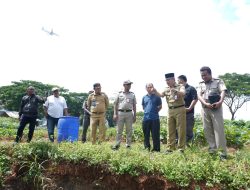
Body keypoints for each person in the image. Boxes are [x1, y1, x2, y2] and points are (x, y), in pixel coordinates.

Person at [198, 66, 227, 159]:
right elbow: (199, 95)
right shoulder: (201, 83)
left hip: (216, 108)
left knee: (218, 130)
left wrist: (220, 102)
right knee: (207, 129)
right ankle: (212, 150)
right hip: (205, 108)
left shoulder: (218, 81)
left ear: (210, 73)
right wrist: (205, 103)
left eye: (205, 75)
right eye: (202, 75)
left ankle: (222, 153)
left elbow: (223, 91)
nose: (203, 77)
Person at [154, 73, 186, 153]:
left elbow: (183, 93)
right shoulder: (166, 88)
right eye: (166, 80)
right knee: (170, 129)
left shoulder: (180, 86)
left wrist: (176, 91)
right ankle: (170, 148)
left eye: (168, 80)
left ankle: (181, 148)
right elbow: (161, 95)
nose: (167, 82)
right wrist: (155, 91)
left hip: (180, 109)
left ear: (173, 79)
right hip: (170, 110)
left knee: (181, 129)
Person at [112, 80, 137, 150]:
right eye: (128, 84)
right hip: (120, 113)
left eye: (130, 85)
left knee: (129, 130)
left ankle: (128, 145)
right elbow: (115, 104)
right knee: (119, 130)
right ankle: (117, 144)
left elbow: (134, 105)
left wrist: (135, 115)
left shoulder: (132, 94)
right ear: (124, 85)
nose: (129, 86)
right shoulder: (119, 94)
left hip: (129, 113)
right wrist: (114, 114)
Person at [177, 75, 198, 144]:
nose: (177, 82)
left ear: (182, 80)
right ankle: (179, 144)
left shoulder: (191, 88)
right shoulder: (178, 90)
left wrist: (189, 108)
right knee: (178, 129)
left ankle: (189, 145)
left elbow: (195, 99)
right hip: (179, 112)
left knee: (188, 129)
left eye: (178, 80)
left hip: (188, 112)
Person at [142, 83, 162, 152]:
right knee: (146, 134)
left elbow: (160, 107)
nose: (150, 88)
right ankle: (147, 148)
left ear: (153, 87)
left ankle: (156, 149)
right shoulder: (144, 97)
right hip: (146, 118)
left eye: (151, 87)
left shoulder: (157, 96)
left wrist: (154, 112)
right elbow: (144, 107)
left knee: (155, 135)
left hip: (155, 119)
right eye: (148, 87)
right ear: (146, 88)